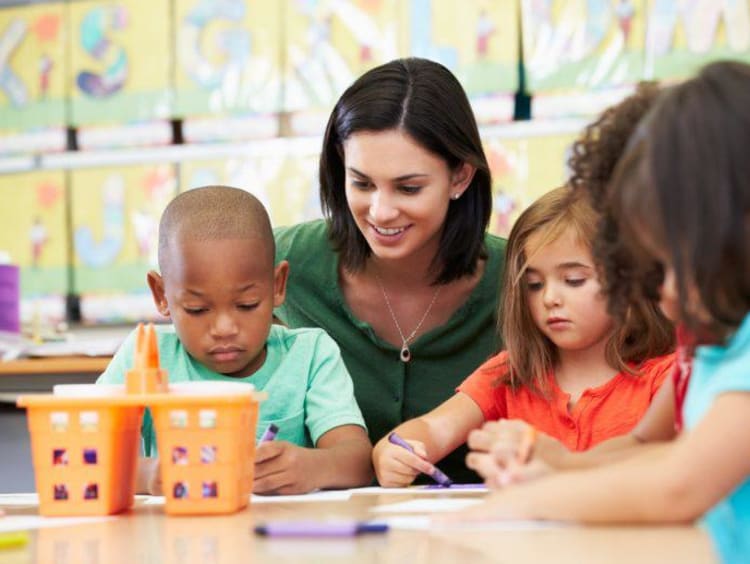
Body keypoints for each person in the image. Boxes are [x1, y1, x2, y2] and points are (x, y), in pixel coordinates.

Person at [450, 60, 750, 562]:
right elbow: (653, 449)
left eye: (672, 267)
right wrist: (561, 466)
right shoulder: (716, 345)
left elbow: (679, 484)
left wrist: (533, 500)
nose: (665, 297)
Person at [274, 57, 506, 482]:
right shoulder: (283, 261)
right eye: (361, 183)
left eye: (408, 187)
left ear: (460, 177)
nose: (380, 211)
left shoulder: (523, 278)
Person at [372, 185, 674, 486]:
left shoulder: (668, 378)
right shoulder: (510, 373)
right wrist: (392, 452)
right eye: (534, 284)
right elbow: (432, 429)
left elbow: (668, 468)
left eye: (573, 280)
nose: (550, 298)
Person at [466, 81, 685, 486]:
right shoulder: (699, 350)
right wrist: (554, 462)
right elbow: (639, 445)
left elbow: (678, 485)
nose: (639, 280)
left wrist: (540, 489)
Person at [98, 186, 372, 495]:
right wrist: (147, 475)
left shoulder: (310, 354)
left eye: (247, 305)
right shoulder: (145, 355)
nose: (225, 328)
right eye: (197, 309)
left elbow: (359, 461)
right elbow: (86, 454)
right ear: (161, 295)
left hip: (283, 537)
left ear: (277, 285)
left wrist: (313, 467)